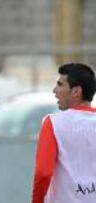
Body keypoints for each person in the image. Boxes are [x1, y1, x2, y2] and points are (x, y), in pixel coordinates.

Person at [32, 63, 96, 203]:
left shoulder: (53, 123)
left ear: (76, 91)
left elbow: (43, 173)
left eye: (60, 85)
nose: (55, 90)